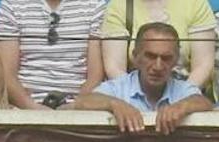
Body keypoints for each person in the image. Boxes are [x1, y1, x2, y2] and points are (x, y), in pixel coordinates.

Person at [73, 22, 212, 133]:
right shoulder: (120, 87)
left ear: (175, 61)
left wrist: (182, 107)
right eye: (150, 56)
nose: (158, 66)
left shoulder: (181, 88)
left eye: (166, 58)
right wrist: (115, 104)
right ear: (135, 57)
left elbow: (203, 102)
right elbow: (83, 101)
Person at [0, 0, 105, 109]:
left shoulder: (94, 5)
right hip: (23, 109)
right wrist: (31, 108)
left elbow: (95, 77)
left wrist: (75, 107)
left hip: (80, 110)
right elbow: (6, 75)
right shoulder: (11, 5)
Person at [100, 0, 214, 91]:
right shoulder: (118, 6)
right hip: (131, 99)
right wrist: (135, 99)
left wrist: (182, 97)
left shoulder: (196, 3)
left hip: (186, 96)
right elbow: (114, 67)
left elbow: (203, 65)